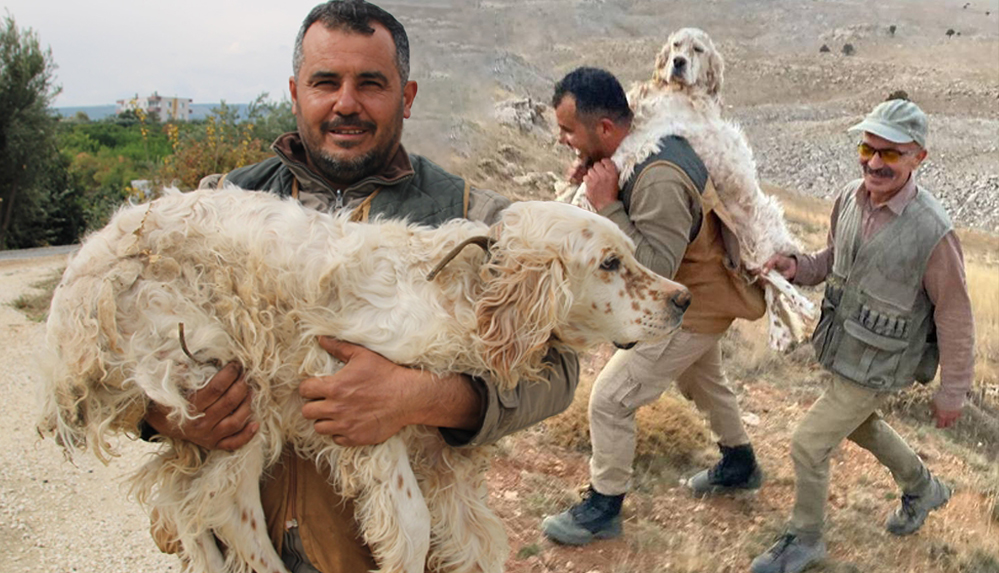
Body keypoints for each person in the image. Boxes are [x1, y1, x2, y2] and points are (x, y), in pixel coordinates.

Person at [142, 2, 580, 571]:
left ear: (408, 95)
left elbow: (559, 368)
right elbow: (134, 327)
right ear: (296, 91)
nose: (346, 103)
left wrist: (419, 397)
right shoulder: (223, 204)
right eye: (326, 82)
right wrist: (163, 413)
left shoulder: (471, 216)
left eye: (371, 84)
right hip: (240, 548)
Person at [540, 67, 768, 546]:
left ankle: (604, 506)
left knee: (610, 399)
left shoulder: (658, 176)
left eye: (568, 130)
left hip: (691, 302)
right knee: (702, 379)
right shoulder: (637, 143)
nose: (562, 139)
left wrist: (607, 206)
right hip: (702, 292)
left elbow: (653, 273)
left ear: (605, 129)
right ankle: (741, 463)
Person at [750, 98, 975, 573]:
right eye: (867, 148)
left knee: (809, 442)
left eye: (890, 154)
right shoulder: (850, 197)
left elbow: (955, 313)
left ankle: (805, 538)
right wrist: (797, 266)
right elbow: (835, 258)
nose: (874, 162)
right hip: (844, 347)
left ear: (919, 158)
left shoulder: (932, 231)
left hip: (883, 362)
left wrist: (953, 390)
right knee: (857, 424)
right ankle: (923, 488)